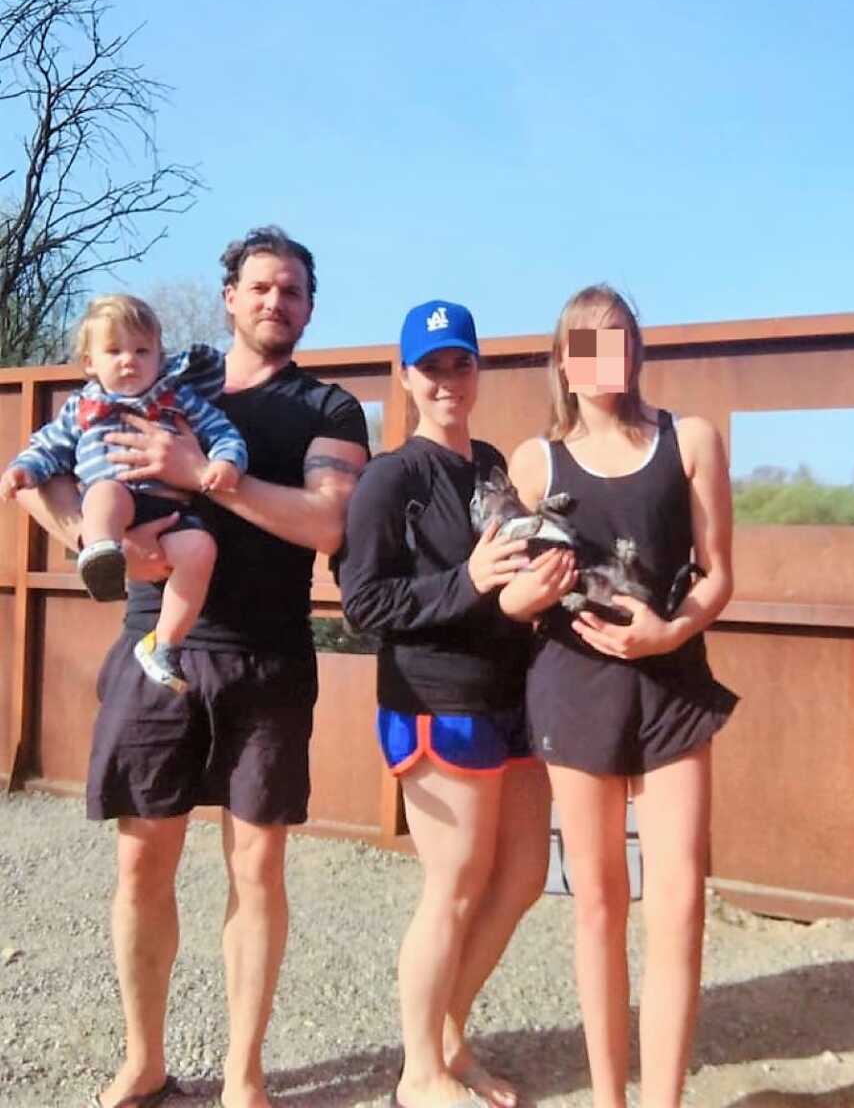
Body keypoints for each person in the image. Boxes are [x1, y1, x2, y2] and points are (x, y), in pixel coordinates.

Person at [16, 226, 369, 1108]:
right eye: (259, 287)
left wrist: (201, 476)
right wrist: (94, 545)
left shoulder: (327, 409)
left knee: (257, 870)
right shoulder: (167, 374)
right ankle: (144, 1058)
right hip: (153, 646)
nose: (274, 302)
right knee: (143, 866)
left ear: (309, 306)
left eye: (291, 290)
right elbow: (52, 466)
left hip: (266, 655)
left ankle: (245, 1074)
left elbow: (329, 525)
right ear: (228, 297)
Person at [339, 300, 576, 1108]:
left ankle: (448, 1035)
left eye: (460, 363)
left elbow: (510, 577)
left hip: (512, 698)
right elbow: (364, 602)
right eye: (431, 366)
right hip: (436, 700)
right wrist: (468, 582)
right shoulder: (388, 478)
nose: (447, 380)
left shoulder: (491, 466)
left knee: (522, 877)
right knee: (455, 885)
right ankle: (420, 1074)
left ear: (479, 370)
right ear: (407, 378)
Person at [507, 284, 737, 1108]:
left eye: (620, 339)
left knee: (677, 903)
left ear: (637, 350)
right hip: (574, 685)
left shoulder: (691, 441)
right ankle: (610, 1099)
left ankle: (663, 1100)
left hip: (674, 682)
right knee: (599, 905)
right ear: (562, 360)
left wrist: (667, 633)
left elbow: (718, 577)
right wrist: (529, 589)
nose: (606, 356)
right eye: (586, 342)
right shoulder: (535, 463)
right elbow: (506, 594)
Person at [1, 294, 248, 692]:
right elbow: (48, 446)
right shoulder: (83, 406)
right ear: (89, 363)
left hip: (171, 506)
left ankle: (164, 644)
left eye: (141, 350)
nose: (128, 360)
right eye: (113, 351)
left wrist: (225, 463)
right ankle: (101, 551)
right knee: (106, 496)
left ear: (160, 356)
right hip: (117, 497)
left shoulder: (178, 399)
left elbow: (221, 430)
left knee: (201, 549)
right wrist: (23, 470)